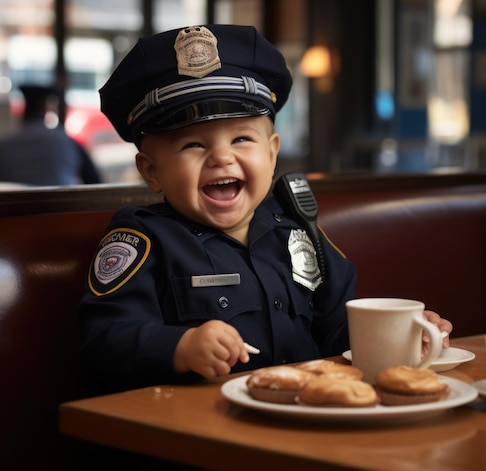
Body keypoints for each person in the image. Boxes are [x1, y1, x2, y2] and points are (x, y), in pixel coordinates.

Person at [78, 24, 453, 399]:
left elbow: (338, 329)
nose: (222, 157)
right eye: (193, 144)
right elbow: (105, 339)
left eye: (242, 138)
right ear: (151, 171)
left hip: (308, 418)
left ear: (272, 153)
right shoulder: (143, 240)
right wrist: (180, 347)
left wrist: (400, 336)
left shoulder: (298, 230)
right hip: (204, 428)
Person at [0, 84, 102, 186]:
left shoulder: (4, 145)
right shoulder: (66, 142)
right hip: (60, 200)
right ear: (45, 109)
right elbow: (94, 181)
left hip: (15, 201)